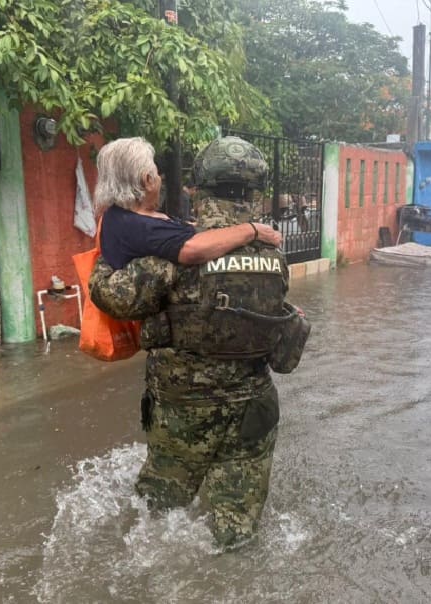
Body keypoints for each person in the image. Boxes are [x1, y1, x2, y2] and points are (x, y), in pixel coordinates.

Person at [90, 136, 308, 549]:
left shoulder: (167, 252)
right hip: (253, 410)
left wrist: (103, 261)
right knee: (237, 530)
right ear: (256, 192)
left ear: (198, 188)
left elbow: (116, 300)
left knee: (157, 514)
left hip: (182, 412)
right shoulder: (273, 254)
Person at [93, 137, 280, 269]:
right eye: (157, 174)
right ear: (147, 180)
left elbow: (169, 232)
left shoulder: (116, 216)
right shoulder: (139, 227)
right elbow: (192, 249)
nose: (160, 179)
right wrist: (253, 230)